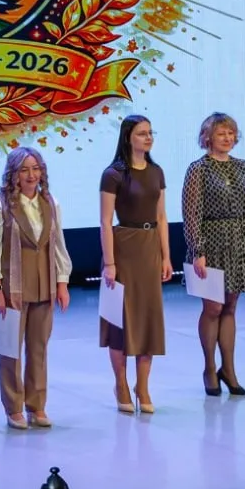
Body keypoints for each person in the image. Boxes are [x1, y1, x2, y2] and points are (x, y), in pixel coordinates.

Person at [0, 147, 72, 429]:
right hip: (13, 286)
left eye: (35, 168)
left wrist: (62, 282)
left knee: (38, 348)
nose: (31, 175)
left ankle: (37, 405)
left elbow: (58, 244)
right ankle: (13, 407)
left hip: (44, 285)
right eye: (24, 170)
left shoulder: (50, 202)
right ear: (13, 174)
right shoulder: (1, 204)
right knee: (10, 349)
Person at [183, 112, 245, 397]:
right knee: (213, 308)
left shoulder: (242, 167)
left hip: (239, 242)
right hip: (211, 243)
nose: (227, 138)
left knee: (230, 306)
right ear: (208, 138)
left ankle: (228, 370)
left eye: (231, 133)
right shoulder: (199, 169)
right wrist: (198, 250)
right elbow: (191, 213)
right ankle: (209, 368)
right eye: (221, 133)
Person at [99, 115, 171, 413]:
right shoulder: (113, 174)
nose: (148, 137)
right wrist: (110, 262)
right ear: (128, 137)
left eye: (150, 132)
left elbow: (162, 217)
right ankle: (121, 384)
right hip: (124, 247)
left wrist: (166, 256)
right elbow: (105, 221)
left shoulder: (156, 172)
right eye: (142, 133)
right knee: (121, 319)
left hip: (149, 247)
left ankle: (143, 386)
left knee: (147, 318)